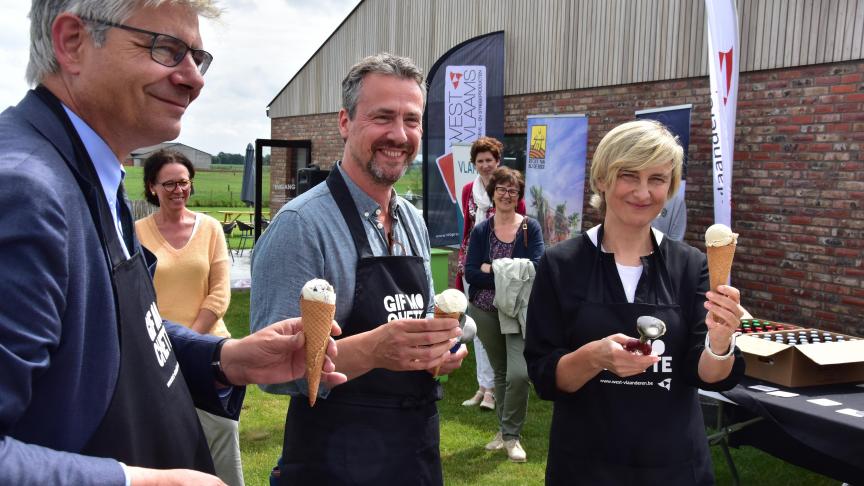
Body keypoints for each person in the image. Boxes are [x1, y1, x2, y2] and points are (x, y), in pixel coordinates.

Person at [0, 2, 344, 485]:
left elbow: (118, 330)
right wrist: (140, 481)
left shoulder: (91, 173)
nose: (194, 79)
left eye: (197, 58)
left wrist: (224, 358)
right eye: (167, 49)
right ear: (72, 42)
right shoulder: (25, 192)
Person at [250, 53, 467, 485]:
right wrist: (373, 350)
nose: (400, 134)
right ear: (345, 122)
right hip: (334, 461)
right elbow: (267, 370)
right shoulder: (302, 226)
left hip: (415, 453)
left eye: (412, 120)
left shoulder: (412, 219)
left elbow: (416, 317)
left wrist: (439, 348)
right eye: (383, 117)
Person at [524, 119, 745, 485]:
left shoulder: (690, 266)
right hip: (585, 466)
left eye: (657, 179)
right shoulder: (560, 264)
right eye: (629, 175)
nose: (643, 192)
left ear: (670, 188)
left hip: (672, 466)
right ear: (602, 180)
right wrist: (596, 357)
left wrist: (720, 342)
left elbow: (704, 375)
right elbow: (546, 377)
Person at [135, 149, 243, 486]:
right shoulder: (136, 232)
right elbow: (135, 295)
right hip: (156, 351)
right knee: (165, 432)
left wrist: (190, 344)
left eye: (184, 182)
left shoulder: (210, 228)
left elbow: (220, 294)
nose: (178, 190)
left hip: (211, 349)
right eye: (169, 184)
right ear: (152, 187)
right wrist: (169, 345)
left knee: (222, 429)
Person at [465, 167, 544, 462]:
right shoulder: (482, 230)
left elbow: (536, 267)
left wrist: (494, 267)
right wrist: (512, 269)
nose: (506, 195)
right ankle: (505, 432)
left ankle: (511, 437)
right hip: (485, 310)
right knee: (500, 373)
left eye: (512, 190)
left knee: (519, 374)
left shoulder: (530, 228)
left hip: (519, 311)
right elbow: (472, 272)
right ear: (493, 192)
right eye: (501, 189)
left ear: (519, 196)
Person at [456, 137, 526, 411]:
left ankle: (498, 388)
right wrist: (465, 263)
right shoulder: (467, 191)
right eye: (480, 161)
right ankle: (484, 387)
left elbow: (520, 229)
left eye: (490, 160)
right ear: (474, 164)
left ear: (498, 162)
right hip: (472, 262)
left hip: (503, 265)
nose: (485, 165)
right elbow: (467, 225)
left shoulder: (507, 190)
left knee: (502, 326)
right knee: (477, 326)